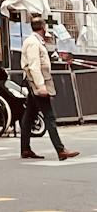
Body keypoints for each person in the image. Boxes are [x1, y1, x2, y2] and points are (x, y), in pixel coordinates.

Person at [20, 15, 78, 161]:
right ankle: (60, 149)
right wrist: (41, 86)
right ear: (43, 27)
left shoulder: (36, 41)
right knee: (49, 116)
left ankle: (25, 148)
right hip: (37, 82)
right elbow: (34, 66)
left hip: (35, 81)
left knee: (29, 115)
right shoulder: (33, 43)